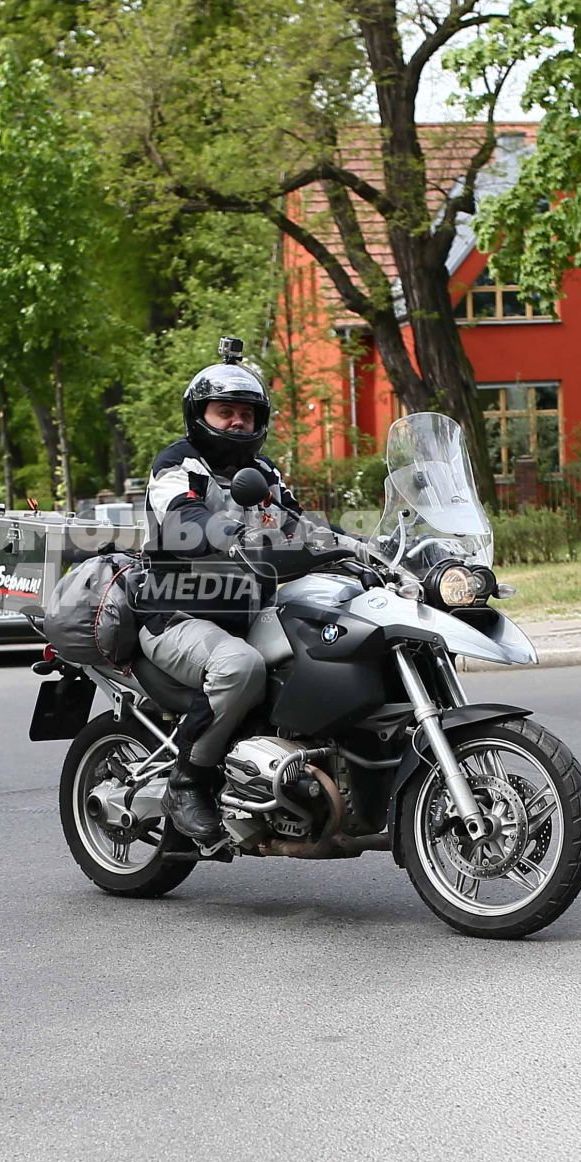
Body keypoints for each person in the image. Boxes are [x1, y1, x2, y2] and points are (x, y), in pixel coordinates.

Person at [138, 344, 330, 845]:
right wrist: (224, 531)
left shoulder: (265, 473)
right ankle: (188, 780)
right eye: (225, 412)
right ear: (199, 415)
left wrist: (353, 548)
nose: (238, 423)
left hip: (249, 613)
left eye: (247, 414)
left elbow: (298, 525)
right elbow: (182, 516)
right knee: (239, 667)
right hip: (175, 616)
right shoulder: (176, 465)